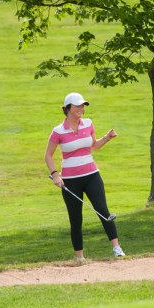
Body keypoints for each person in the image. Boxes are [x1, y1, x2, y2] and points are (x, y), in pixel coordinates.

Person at [45, 92, 124, 262]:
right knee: (76, 219)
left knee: (103, 211)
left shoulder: (88, 124)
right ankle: (79, 257)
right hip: (70, 180)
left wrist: (107, 138)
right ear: (68, 108)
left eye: (83, 106)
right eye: (78, 106)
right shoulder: (58, 131)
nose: (81, 108)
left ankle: (117, 248)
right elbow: (48, 155)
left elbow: (93, 146)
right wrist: (55, 175)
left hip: (91, 175)